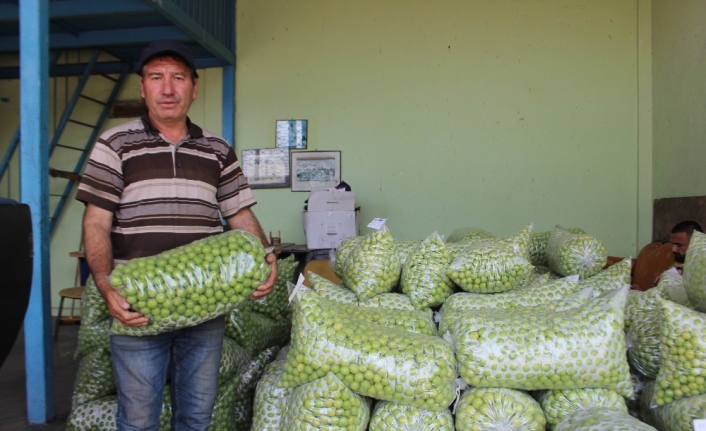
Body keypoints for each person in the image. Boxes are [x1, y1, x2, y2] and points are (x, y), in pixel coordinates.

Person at [75, 39, 277, 431]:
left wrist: (266, 256)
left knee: (197, 416)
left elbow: (239, 213)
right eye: (157, 77)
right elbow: (96, 221)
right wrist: (103, 283)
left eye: (178, 78)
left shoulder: (217, 149)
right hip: (139, 306)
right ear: (142, 86)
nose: (168, 89)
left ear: (194, 87)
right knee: (137, 419)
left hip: (205, 305)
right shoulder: (114, 144)